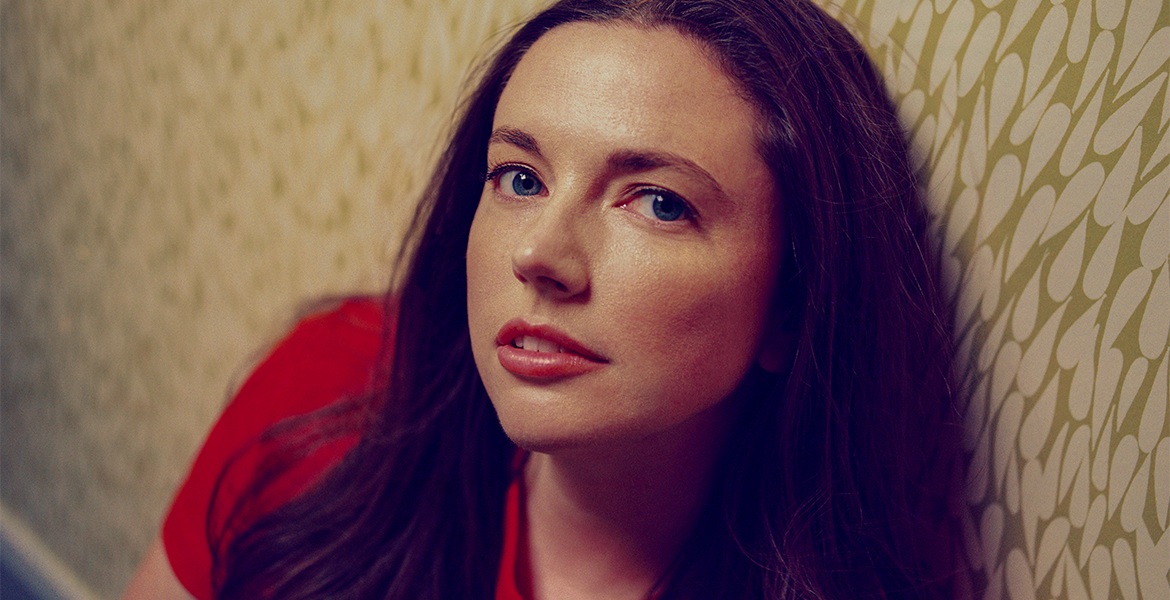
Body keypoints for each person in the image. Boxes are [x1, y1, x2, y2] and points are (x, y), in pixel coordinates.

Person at [123, 0, 966, 598]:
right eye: (520, 178)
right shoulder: (333, 384)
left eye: (657, 202)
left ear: (792, 303)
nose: (539, 255)